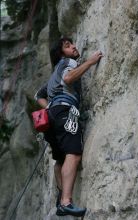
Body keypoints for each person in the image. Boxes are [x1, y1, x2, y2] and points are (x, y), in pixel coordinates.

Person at [35, 37, 103, 217]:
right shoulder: (68, 63)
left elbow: (38, 95)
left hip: (52, 117)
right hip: (65, 112)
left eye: (72, 44)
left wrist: (49, 107)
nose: (73, 46)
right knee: (73, 154)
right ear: (61, 53)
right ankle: (66, 201)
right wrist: (90, 61)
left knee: (60, 159)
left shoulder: (52, 77)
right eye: (67, 46)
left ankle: (60, 199)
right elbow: (68, 77)